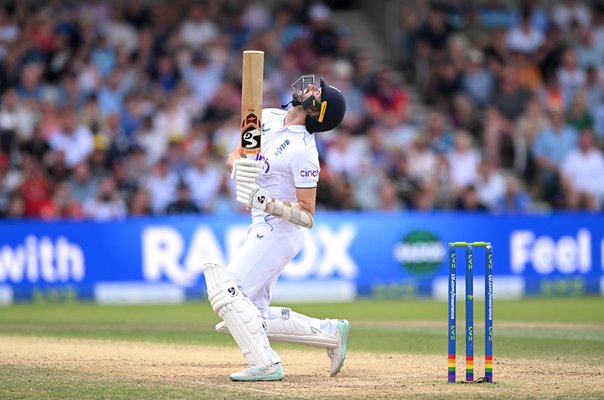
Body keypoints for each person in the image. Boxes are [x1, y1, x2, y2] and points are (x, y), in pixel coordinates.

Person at [201, 75, 350, 381]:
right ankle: (330, 332)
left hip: (281, 230)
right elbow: (237, 153)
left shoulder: (304, 151)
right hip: (260, 223)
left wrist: (268, 203)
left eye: (316, 92)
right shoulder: (266, 116)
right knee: (250, 314)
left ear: (316, 112)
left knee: (227, 293)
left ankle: (267, 363)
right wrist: (235, 165)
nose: (308, 88)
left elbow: (308, 214)